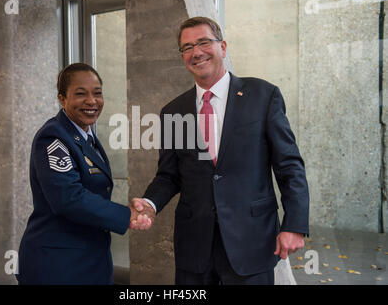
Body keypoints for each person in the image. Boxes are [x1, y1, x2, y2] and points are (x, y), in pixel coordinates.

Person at [131, 17, 309, 285]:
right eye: (187, 47)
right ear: (182, 57)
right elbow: (169, 175)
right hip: (194, 248)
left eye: (204, 42)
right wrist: (150, 204)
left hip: (251, 242)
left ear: (222, 47)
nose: (196, 52)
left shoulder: (264, 95)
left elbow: (289, 166)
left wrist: (294, 224)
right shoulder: (173, 111)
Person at [17, 63, 150, 285]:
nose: (92, 101)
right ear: (62, 99)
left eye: (97, 93)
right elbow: (68, 198)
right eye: (81, 94)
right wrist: (126, 215)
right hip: (58, 265)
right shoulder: (53, 137)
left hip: (88, 259)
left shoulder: (85, 135)